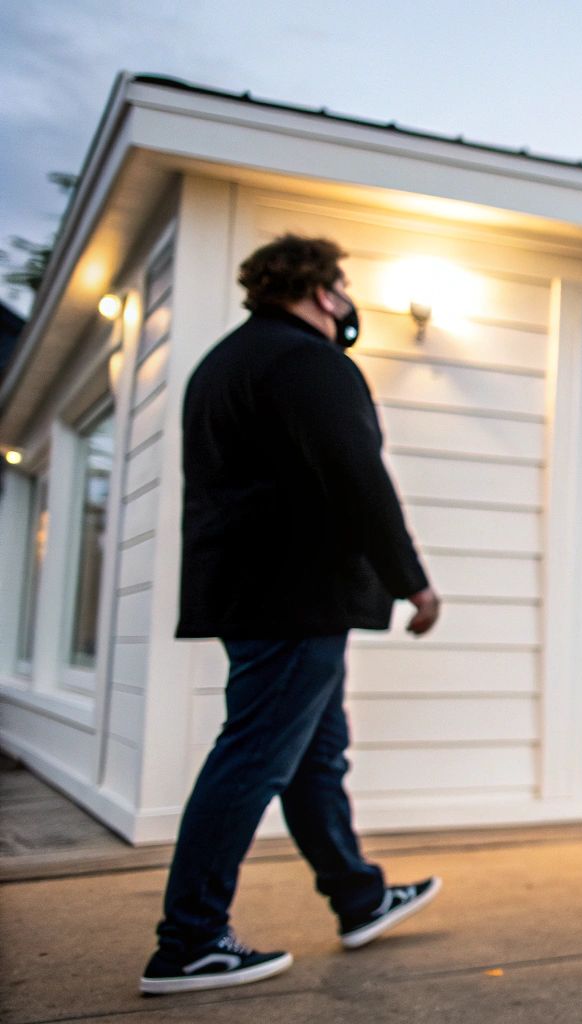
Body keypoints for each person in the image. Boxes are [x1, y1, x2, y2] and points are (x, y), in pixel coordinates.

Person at [140, 235, 443, 996]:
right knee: (254, 755)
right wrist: (411, 581)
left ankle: (358, 896)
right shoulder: (309, 362)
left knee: (313, 755)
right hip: (296, 596)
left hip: (251, 592)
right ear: (319, 291)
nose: (346, 300)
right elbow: (357, 475)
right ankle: (189, 941)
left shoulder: (225, 363)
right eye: (339, 285)